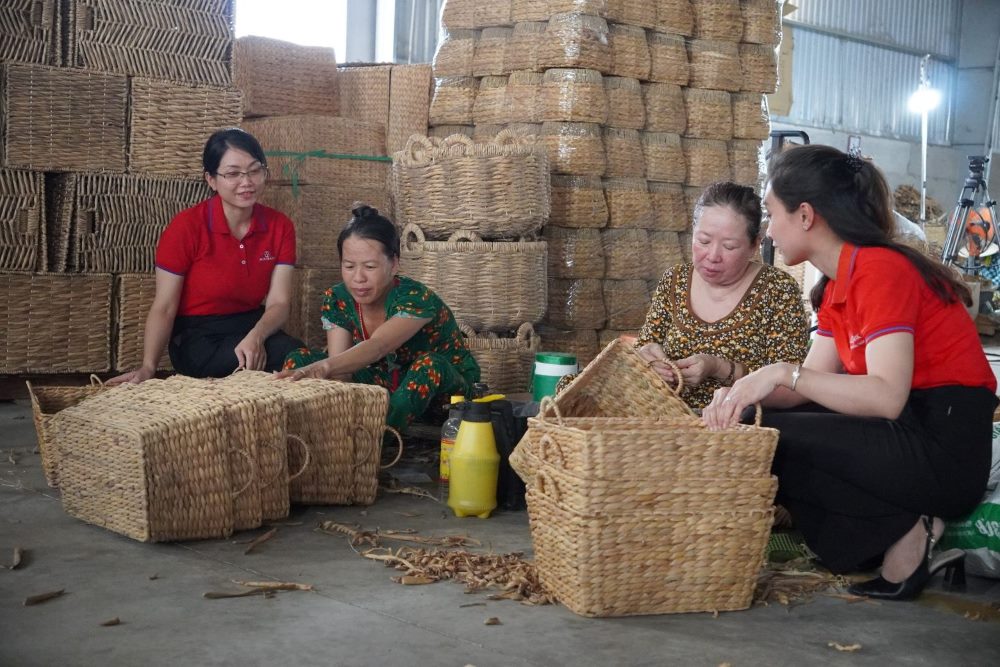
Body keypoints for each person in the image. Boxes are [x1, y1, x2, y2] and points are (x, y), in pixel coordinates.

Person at [702, 144, 998, 601]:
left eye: (770, 212)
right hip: (901, 435)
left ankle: (911, 525)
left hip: (942, 447)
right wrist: (737, 394)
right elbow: (808, 387)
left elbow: (885, 397)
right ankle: (894, 531)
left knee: (766, 436)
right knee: (753, 425)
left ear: (805, 215)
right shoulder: (838, 283)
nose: (768, 231)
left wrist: (779, 372)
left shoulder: (880, 271)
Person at [108, 128, 303, 384]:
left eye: (255, 170)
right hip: (198, 336)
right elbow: (165, 307)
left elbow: (279, 303)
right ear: (211, 180)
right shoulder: (186, 227)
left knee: (302, 359)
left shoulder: (280, 226)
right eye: (233, 173)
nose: (247, 182)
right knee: (262, 362)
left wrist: (257, 335)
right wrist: (148, 366)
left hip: (250, 325)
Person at [277, 205, 480, 435]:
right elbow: (340, 369)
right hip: (383, 383)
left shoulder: (416, 298)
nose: (358, 278)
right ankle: (321, 435)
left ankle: (375, 439)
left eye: (370, 267)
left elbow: (378, 346)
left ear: (394, 264)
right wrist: (328, 385)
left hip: (443, 393)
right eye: (349, 266)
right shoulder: (337, 298)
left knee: (428, 366)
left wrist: (324, 367)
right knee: (299, 360)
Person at [634, 181, 810, 409]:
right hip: (663, 422)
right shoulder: (674, 280)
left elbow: (790, 384)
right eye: (703, 241)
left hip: (738, 429)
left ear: (754, 245)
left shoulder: (777, 290)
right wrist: (648, 359)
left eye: (729, 246)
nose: (713, 255)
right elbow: (644, 347)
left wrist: (718, 368)